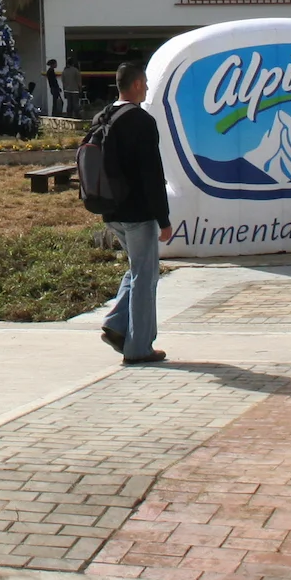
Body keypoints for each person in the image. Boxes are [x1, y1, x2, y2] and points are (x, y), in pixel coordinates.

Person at [96, 61, 173, 365]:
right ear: (138, 84)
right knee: (145, 275)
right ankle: (139, 347)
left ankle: (116, 325)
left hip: (110, 209)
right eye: (146, 84)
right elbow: (152, 174)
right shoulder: (141, 121)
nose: (147, 89)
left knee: (138, 268)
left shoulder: (103, 117)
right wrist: (164, 219)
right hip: (137, 212)